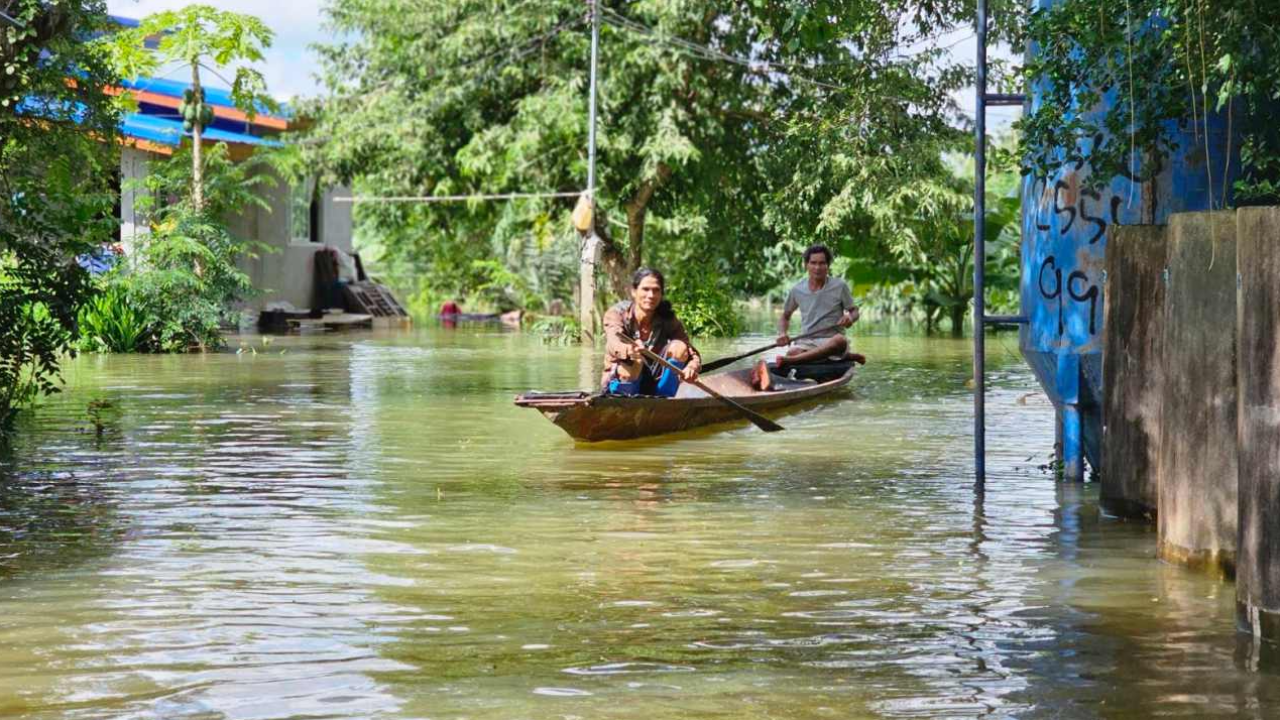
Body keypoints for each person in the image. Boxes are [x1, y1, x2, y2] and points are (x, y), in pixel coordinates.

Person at [754, 244, 859, 389]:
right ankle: (841, 357)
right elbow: (785, 316)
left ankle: (792, 361)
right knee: (792, 351)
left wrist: (850, 318)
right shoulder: (797, 290)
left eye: (822, 263)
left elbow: (854, 311)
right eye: (813, 263)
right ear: (806, 265)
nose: (817, 268)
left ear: (828, 266)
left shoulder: (839, 286)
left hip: (832, 340)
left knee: (840, 340)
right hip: (807, 342)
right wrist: (783, 333)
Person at [602, 268, 702, 397]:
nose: (651, 295)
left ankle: (664, 399)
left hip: (655, 381)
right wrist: (629, 350)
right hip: (621, 381)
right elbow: (613, 343)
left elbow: (691, 352)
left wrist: (691, 368)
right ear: (634, 291)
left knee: (680, 347)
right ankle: (625, 401)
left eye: (656, 290)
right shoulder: (616, 314)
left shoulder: (668, 318)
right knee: (636, 360)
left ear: (661, 294)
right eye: (645, 289)